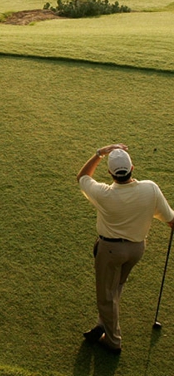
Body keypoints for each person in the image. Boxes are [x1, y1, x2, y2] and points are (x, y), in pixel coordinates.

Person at [77, 143, 174, 354]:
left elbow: (83, 177)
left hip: (110, 252)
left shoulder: (103, 193)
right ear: (132, 169)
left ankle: (113, 341)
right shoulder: (150, 188)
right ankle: (102, 324)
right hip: (136, 250)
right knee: (116, 288)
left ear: (110, 173)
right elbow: (170, 219)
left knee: (106, 295)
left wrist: (100, 153)